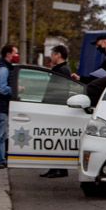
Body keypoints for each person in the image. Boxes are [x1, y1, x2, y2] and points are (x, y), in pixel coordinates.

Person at [40, 45, 76, 178]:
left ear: (58, 55)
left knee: (56, 139)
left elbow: (59, 91)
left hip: (56, 107)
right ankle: (54, 167)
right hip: (54, 107)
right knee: (54, 139)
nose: (51, 57)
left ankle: (59, 169)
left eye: (53, 54)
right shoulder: (60, 69)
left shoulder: (62, 70)